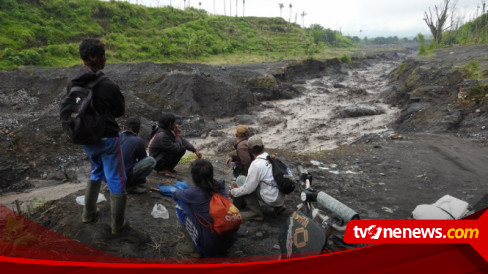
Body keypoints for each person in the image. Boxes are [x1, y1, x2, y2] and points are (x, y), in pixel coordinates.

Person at [68, 38, 127, 235]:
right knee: (116, 177)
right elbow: (119, 111)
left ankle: (88, 213)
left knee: (96, 171)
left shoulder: (72, 81)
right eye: (104, 56)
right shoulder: (108, 84)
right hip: (107, 137)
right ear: (101, 58)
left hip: (85, 136)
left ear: (83, 59)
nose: (105, 59)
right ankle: (118, 226)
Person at [172, 159, 237, 258]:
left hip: (209, 247)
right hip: (229, 243)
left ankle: (194, 249)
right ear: (211, 173)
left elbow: (175, 195)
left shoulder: (193, 193)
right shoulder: (221, 186)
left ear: (194, 177)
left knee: (180, 205)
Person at [228, 135, 286, 221]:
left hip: (271, 199)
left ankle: (255, 212)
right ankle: (279, 207)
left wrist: (233, 192)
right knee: (260, 180)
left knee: (241, 180)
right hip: (280, 197)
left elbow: (248, 189)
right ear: (262, 147)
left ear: (250, 150)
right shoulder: (270, 158)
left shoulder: (256, 164)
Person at [148, 112, 202, 178]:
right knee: (181, 149)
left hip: (159, 157)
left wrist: (194, 150)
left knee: (180, 147)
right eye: (174, 123)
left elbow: (182, 140)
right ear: (170, 124)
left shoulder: (166, 130)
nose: (175, 125)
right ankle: (162, 169)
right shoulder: (162, 136)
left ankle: (168, 168)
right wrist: (177, 135)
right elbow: (176, 148)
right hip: (156, 161)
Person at [119, 116, 156, 194]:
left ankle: (113, 183)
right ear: (138, 130)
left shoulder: (116, 136)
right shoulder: (138, 141)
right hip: (124, 177)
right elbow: (143, 159)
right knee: (151, 161)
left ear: (123, 128)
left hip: (109, 175)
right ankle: (129, 186)